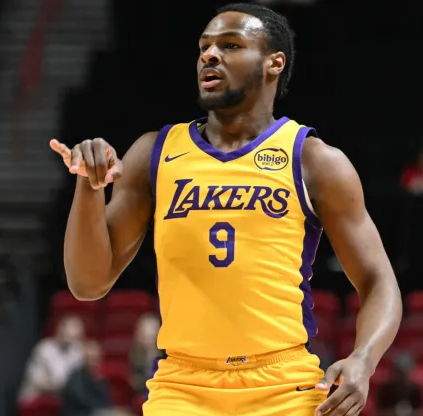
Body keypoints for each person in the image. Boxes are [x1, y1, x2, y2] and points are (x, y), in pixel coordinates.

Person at [49, 3, 402, 415]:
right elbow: (87, 284)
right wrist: (89, 187)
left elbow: (380, 281)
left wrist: (364, 358)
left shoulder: (314, 161)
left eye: (230, 45)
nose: (209, 55)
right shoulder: (154, 154)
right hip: (183, 387)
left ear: (274, 63)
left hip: (282, 384)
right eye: (204, 47)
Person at [18, 315, 86, 403]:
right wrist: (58, 384)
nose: (71, 340)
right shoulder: (44, 348)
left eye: (74, 337)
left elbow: (77, 379)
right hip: (38, 396)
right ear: (59, 330)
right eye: (68, 335)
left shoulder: (76, 351)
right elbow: (35, 380)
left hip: (64, 396)